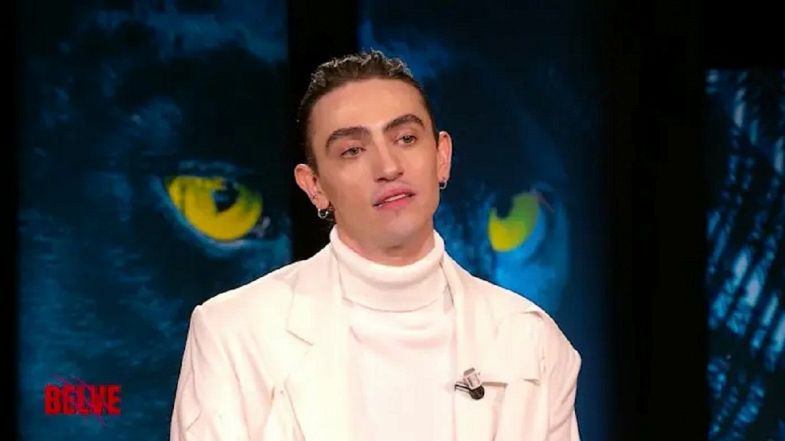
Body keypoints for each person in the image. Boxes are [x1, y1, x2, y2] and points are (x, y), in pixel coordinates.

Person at [170, 50, 581, 441]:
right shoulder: (234, 333)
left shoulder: (531, 339)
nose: (388, 167)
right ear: (314, 186)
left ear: (441, 156)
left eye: (406, 138)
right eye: (352, 150)